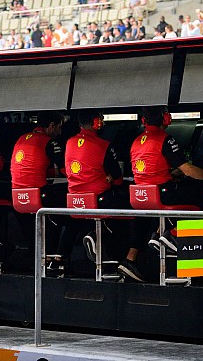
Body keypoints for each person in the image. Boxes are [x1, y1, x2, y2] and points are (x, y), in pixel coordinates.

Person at [65, 110, 144, 281]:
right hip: (100, 200)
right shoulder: (103, 145)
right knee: (139, 209)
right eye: (100, 119)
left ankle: (93, 243)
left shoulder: (69, 142)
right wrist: (108, 179)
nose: (102, 122)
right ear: (95, 122)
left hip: (75, 201)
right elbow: (117, 178)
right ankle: (129, 260)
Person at [131, 107, 203, 254]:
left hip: (140, 196)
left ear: (144, 120)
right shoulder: (164, 139)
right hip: (163, 195)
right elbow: (189, 170)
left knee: (144, 218)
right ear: (165, 118)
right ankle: (173, 236)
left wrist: (171, 173)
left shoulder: (136, 141)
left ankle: (156, 237)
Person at [11, 111, 66, 249]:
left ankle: (34, 250)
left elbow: (31, 166)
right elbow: (67, 171)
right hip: (39, 196)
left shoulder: (21, 139)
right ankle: (55, 254)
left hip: (17, 196)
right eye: (59, 127)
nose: (59, 132)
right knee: (68, 211)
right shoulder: (49, 142)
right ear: (51, 126)